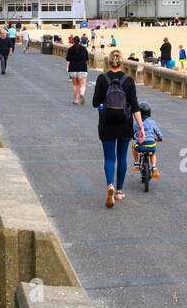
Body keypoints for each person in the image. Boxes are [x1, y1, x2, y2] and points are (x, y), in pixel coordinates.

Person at [92, 50, 144, 207]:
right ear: (122, 63)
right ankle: (120, 191)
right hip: (124, 123)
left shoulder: (102, 78)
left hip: (107, 123)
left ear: (109, 63)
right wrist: (140, 126)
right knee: (122, 157)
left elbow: (95, 103)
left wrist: (104, 104)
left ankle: (110, 185)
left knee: (109, 158)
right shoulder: (129, 80)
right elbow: (134, 106)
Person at [131, 102, 163, 179]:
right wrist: (159, 138)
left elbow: (133, 133)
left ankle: (136, 164)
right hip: (151, 145)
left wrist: (133, 137)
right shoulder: (152, 122)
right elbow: (157, 132)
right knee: (153, 153)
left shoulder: (137, 123)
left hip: (140, 146)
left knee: (133, 147)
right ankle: (154, 168)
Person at [66, 35, 89, 104]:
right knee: (82, 85)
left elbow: (68, 59)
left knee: (75, 85)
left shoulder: (70, 49)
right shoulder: (84, 48)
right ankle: (81, 94)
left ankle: (76, 100)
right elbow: (87, 58)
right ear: (80, 41)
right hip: (82, 69)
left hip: (73, 69)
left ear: (73, 41)